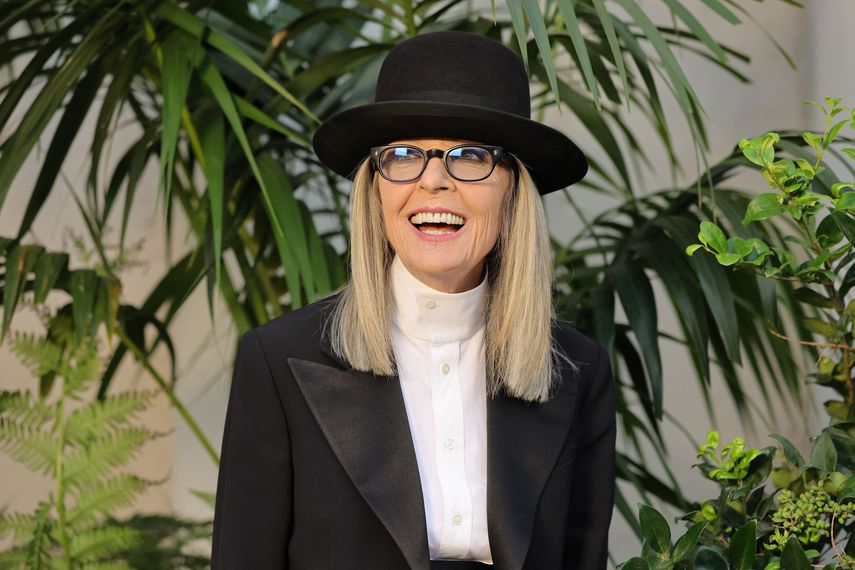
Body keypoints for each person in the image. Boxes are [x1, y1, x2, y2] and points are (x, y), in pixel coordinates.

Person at [211, 30, 616, 569]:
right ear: (374, 188)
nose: (433, 182)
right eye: (404, 156)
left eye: (469, 156)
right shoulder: (279, 360)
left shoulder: (577, 370)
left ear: (515, 190)